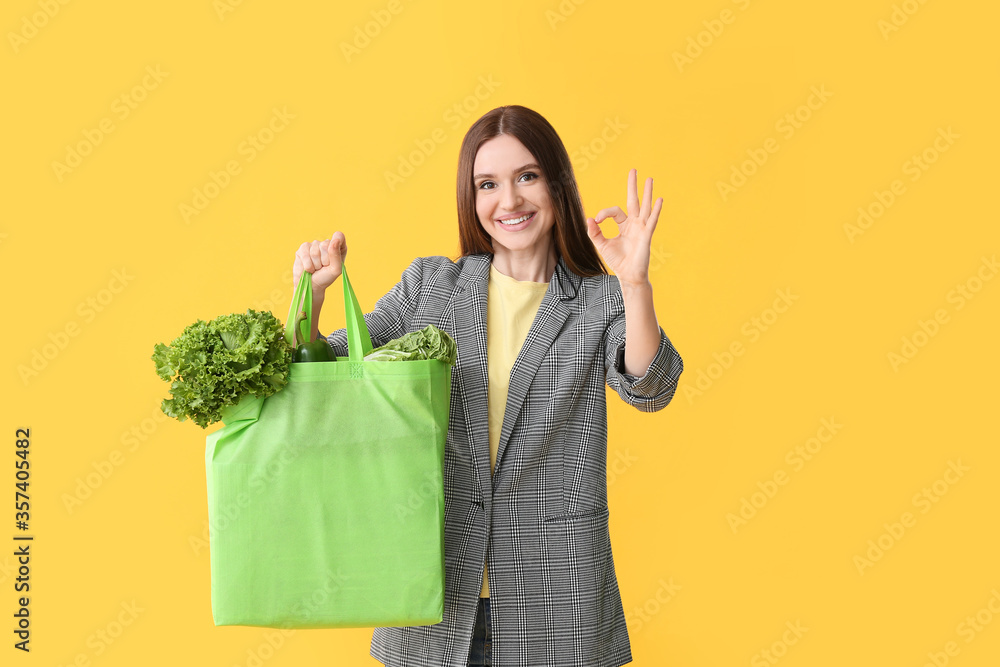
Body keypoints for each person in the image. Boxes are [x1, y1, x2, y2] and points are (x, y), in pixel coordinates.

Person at [291, 105, 683, 667]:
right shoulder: (431, 287)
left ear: (557, 183)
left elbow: (652, 386)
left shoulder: (600, 299)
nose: (510, 200)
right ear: (471, 199)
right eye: (488, 184)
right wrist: (314, 295)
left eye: (527, 176)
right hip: (432, 600)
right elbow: (324, 373)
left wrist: (635, 282)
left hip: (559, 604)